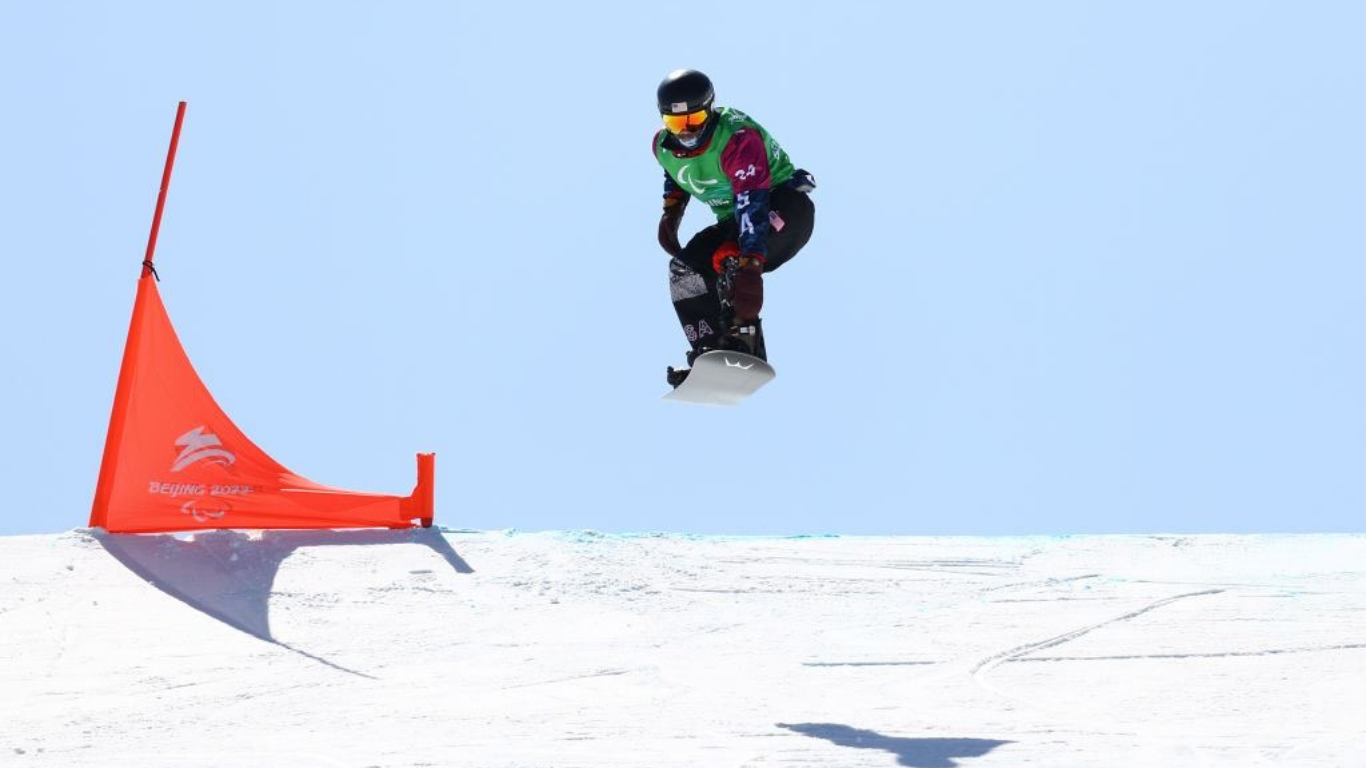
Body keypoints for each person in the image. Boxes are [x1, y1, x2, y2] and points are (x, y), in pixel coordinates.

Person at [653, 69, 816, 387]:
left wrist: (751, 263)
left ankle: (744, 346)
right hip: (734, 222)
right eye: (677, 124)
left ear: (710, 109)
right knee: (685, 271)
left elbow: (751, 202)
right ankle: (711, 350)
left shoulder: (736, 138)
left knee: (731, 259)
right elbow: (676, 172)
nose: (687, 132)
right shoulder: (663, 147)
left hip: (782, 207)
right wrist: (671, 213)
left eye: (695, 120)